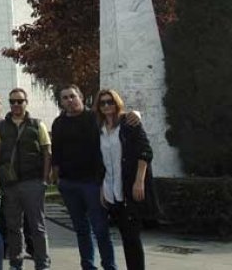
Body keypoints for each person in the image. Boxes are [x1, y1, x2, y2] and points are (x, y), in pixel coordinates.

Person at [51, 85, 116, 270]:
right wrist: (57, 178)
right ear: (61, 102)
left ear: (80, 97)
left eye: (72, 96)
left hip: (93, 183)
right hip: (69, 184)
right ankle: (88, 266)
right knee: (81, 230)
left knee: (100, 229)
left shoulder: (94, 118)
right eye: (65, 98)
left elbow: (117, 120)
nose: (69, 100)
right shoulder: (58, 123)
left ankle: (109, 266)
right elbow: (56, 152)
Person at [0, 87, 51, 270]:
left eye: (20, 101)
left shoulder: (37, 124)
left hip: (32, 182)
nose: (16, 104)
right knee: (13, 227)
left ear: (26, 102)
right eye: (13, 101)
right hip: (10, 185)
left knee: (37, 227)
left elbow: (47, 151)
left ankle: (43, 264)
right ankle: (16, 264)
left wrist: (44, 180)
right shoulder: (1, 126)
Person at [97, 89, 156, 270]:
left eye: (110, 102)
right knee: (120, 235)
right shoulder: (98, 129)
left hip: (128, 188)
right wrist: (101, 189)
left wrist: (139, 181)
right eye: (103, 103)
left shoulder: (129, 124)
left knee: (131, 238)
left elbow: (146, 151)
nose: (107, 106)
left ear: (117, 103)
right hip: (110, 190)